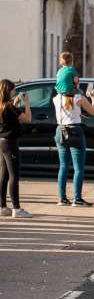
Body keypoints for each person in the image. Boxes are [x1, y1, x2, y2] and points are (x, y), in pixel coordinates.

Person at [53, 77, 94, 206]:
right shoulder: (79, 98)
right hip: (75, 132)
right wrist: (93, 97)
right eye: (77, 81)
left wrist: (77, 114)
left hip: (60, 130)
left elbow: (67, 109)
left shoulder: (56, 99)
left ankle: (62, 198)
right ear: (73, 84)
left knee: (63, 166)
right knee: (78, 168)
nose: (79, 83)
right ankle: (77, 199)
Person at [0, 79, 32, 218]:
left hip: (2, 142)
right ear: (8, 91)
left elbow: (9, 117)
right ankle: (16, 208)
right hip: (10, 143)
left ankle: (2, 206)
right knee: (14, 175)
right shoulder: (9, 107)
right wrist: (26, 103)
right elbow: (27, 119)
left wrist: (16, 104)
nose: (14, 92)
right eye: (13, 90)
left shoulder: (3, 106)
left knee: (4, 175)